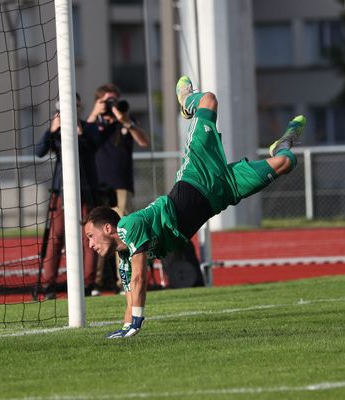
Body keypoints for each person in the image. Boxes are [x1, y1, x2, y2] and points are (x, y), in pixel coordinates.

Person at [83, 76, 306, 338]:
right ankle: (284, 142)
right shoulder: (124, 259)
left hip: (197, 176)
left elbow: (139, 279)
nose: (89, 244)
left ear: (108, 227)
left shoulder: (129, 227)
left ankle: (187, 100)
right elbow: (131, 294)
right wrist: (124, 329)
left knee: (208, 100)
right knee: (286, 163)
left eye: (90, 236)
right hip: (222, 193)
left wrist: (136, 323)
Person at [34, 94, 107, 300]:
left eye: (75, 105)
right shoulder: (56, 131)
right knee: (56, 237)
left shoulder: (88, 128)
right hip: (61, 191)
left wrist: (80, 134)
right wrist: (51, 130)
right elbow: (39, 151)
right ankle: (49, 285)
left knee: (89, 237)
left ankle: (87, 283)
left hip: (84, 190)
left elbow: (93, 149)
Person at [86, 83, 150, 292]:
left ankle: (123, 281)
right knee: (96, 235)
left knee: (121, 232)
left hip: (121, 185)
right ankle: (96, 282)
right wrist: (96, 112)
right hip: (98, 186)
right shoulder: (94, 126)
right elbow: (80, 138)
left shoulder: (126, 121)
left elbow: (143, 142)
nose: (111, 104)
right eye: (107, 100)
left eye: (114, 99)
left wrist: (124, 120)